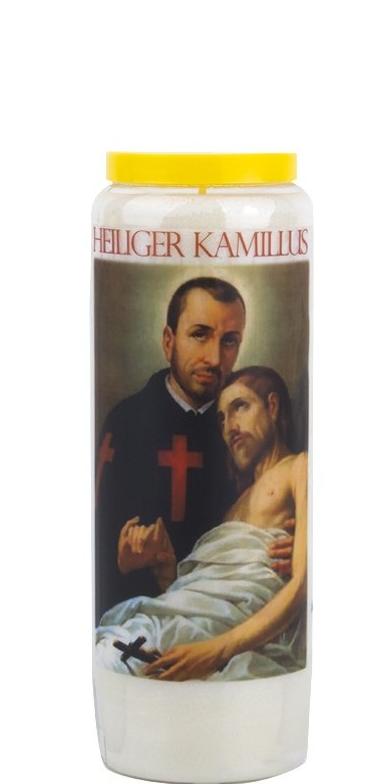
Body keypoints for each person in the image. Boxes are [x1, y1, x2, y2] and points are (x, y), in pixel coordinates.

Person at [95, 366, 308, 681]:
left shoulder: (300, 467)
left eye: (240, 407)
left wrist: (214, 651)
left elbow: (303, 584)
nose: (230, 426)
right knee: (114, 654)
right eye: (221, 418)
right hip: (203, 623)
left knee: (124, 659)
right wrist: (167, 567)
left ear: (272, 406)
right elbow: (208, 592)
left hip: (234, 634)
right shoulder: (233, 506)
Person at [94, 277, 247, 619]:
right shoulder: (125, 422)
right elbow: (95, 550)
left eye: (229, 341)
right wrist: (122, 560)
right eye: (200, 334)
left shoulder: (245, 430)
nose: (214, 358)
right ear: (169, 341)